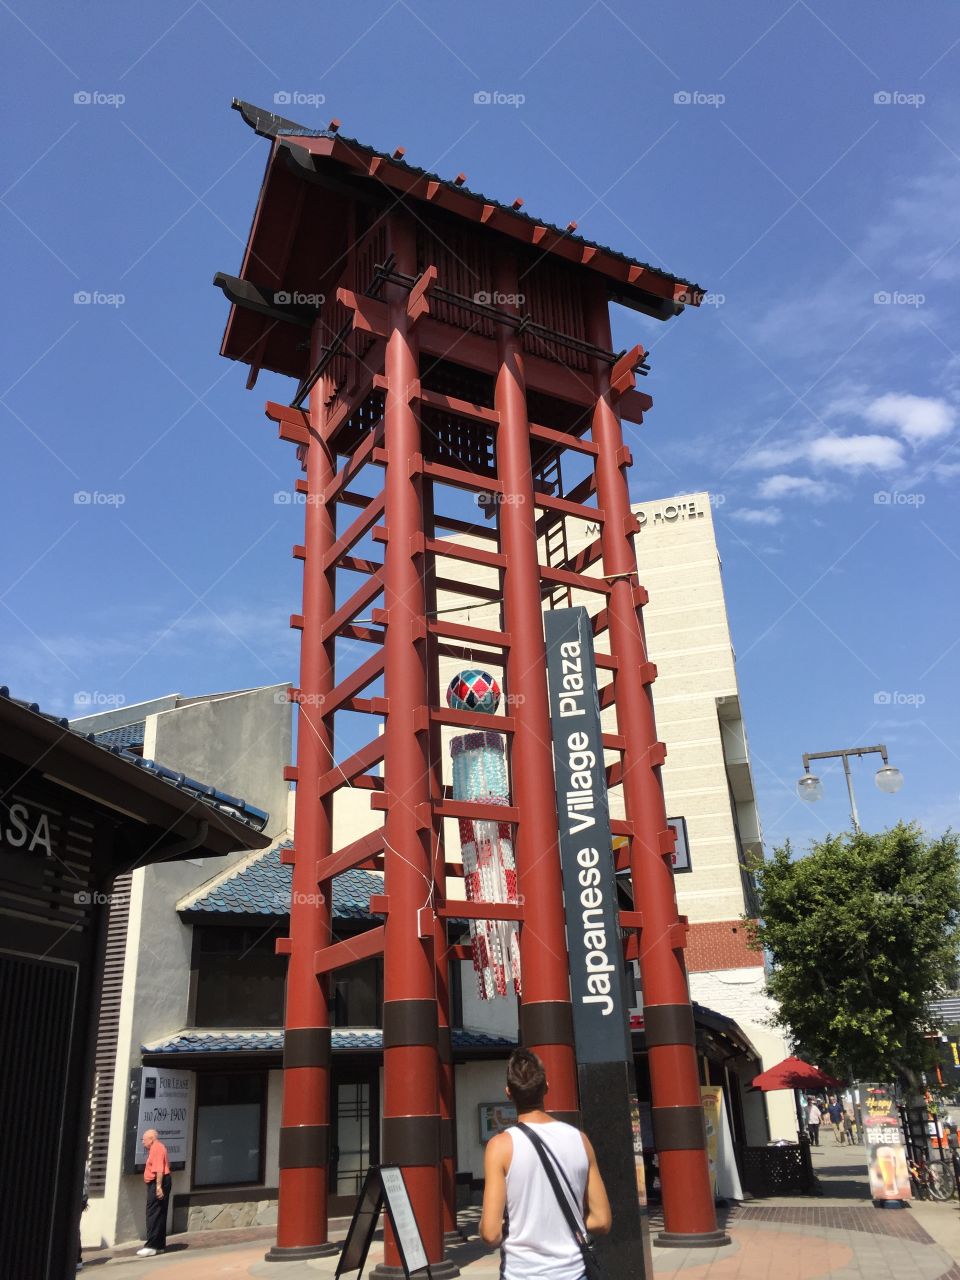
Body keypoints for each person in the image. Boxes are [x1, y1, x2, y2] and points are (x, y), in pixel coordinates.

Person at [480, 1048, 612, 1278]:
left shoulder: (500, 1147)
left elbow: (490, 1234)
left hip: (520, 1273)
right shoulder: (580, 1140)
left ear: (509, 1093)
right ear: (546, 1088)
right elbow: (602, 1220)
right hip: (573, 1272)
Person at [137, 1129, 171, 1257]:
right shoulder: (157, 1148)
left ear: (151, 1139)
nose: (142, 1142)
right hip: (160, 1181)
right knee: (160, 1213)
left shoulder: (156, 1148)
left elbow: (159, 1169)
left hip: (158, 1182)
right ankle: (159, 1245)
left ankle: (151, 1246)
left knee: (153, 1213)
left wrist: (158, 1186)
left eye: (144, 1139)